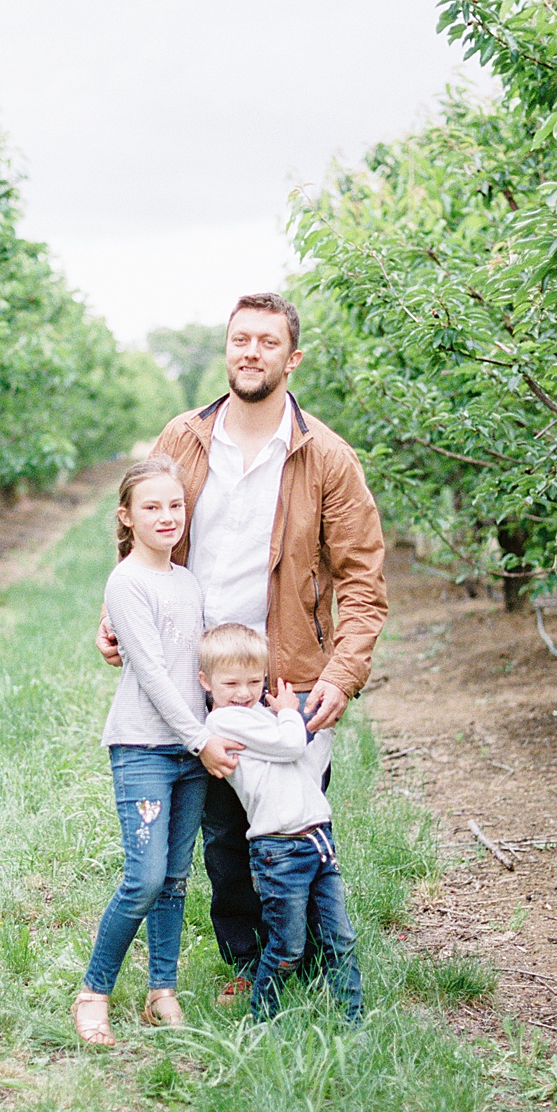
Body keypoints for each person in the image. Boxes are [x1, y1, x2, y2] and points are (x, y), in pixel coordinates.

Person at [97, 291, 386, 1002]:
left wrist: (341, 676)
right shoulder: (184, 439)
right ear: (227, 349)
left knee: (292, 819)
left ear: (292, 357)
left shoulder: (325, 456)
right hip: (198, 672)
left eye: (266, 341)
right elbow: (138, 527)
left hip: (285, 675)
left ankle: (316, 957)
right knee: (224, 836)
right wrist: (116, 617)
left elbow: (363, 579)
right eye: (240, 339)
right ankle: (250, 961)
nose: (250, 352)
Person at [71, 454, 210, 1048]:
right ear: (126, 517)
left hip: (190, 752)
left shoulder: (187, 581)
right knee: (144, 876)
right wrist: (201, 737)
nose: (166, 516)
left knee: (176, 877)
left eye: (175, 505)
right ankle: (92, 992)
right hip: (146, 748)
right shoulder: (125, 582)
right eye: (151, 507)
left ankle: (161, 992)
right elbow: (151, 673)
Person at [197, 623, 362, 1024]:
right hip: (280, 849)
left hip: (317, 839)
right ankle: (264, 1019)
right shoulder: (224, 723)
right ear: (205, 682)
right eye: (230, 682)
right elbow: (290, 745)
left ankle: (353, 1021)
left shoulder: (262, 718)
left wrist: (322, 727)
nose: (243, 692)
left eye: (255, 680)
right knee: (286, 947)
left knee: (340, 939)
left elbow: (305, 764)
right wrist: (291, 713)